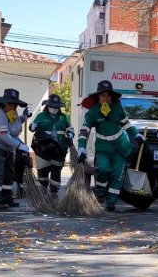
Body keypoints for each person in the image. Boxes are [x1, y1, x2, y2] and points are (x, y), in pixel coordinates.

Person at [77, 80, 143, 211]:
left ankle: (111, 202)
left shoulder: (117, 107)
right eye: (103, 96)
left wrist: (136, 134)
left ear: (111, 96)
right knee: (103, 169)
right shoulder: (93, 112)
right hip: (103, 148)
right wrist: (81, 147)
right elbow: (85, 130)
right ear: (98, 97)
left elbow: (126, 122)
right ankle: (100, 194)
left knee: (117, 175)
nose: (105, 98)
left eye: (108, 95)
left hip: (120, 147)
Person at [0, 89, 31, 209]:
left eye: (15, 104)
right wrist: (19, 146)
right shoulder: (0, 114)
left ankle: (6, 198)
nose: (13, 106)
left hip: (9, 149)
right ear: (4, 103)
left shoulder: (12, 112)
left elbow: (14, 127)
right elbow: (4, 135)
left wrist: (24, 116)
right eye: (10, 103)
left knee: (8, 175)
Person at [30, 94, 74, 197]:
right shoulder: (41, 116)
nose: (54, 109)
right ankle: (43, 191)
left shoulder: (63, 117)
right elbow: (32, 128)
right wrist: (33, 126)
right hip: (43, 150)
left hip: (59, 149)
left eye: (56, 107)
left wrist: (71, 133)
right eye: (52, 106)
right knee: (42, 172)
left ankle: (54, 193)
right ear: (48, 106)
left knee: (56, 172)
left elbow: (70, 128)